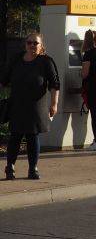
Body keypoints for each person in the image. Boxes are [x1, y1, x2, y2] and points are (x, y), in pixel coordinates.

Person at [1, 32, 60, 180]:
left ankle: (33, 168)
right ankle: (10, 167)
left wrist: (54, 104)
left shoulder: (46, 61)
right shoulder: (16, 59)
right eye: (29, 43)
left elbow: (55, 84)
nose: (32, 45)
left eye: (35, 43)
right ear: (25, 44)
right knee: (15, 136)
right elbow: (4, 80)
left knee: (33, 136)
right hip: (17, 104)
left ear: (41, 46)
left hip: (36, 106)